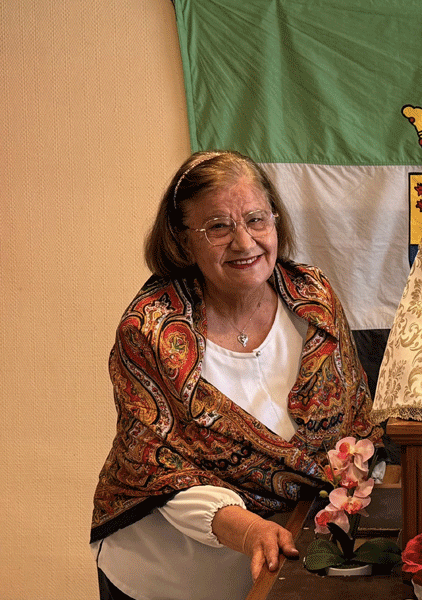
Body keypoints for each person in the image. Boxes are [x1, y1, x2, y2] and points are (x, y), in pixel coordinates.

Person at [90, 150, 382, 600]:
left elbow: (354, 426)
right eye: (219, 227)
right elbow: (158, 466)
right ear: (184, 240)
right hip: (171, 576)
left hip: (288, 562)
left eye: (256, 220)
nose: (245, 243)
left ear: (276, 223)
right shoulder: (150, 331)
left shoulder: (314, 300)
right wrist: (248, 529)